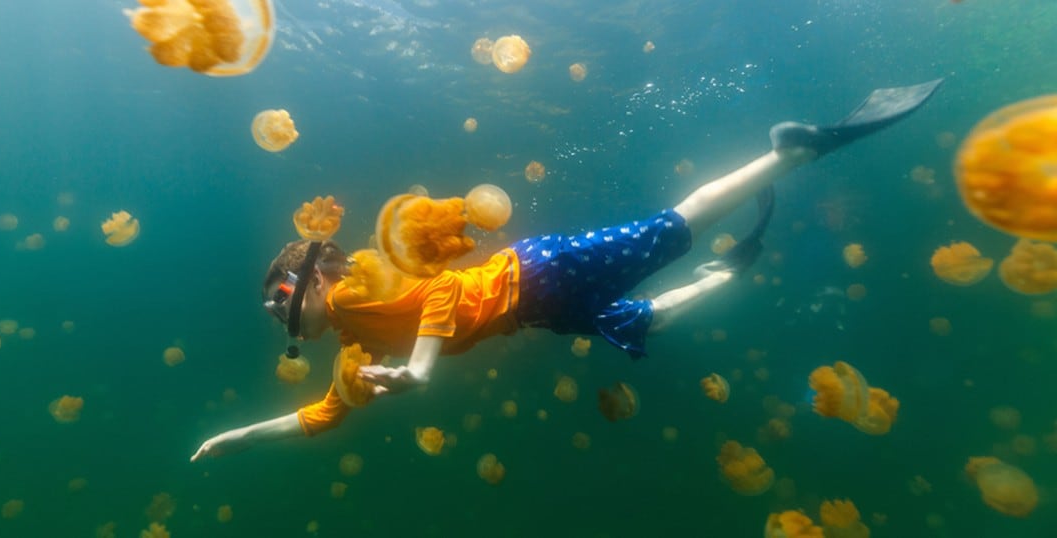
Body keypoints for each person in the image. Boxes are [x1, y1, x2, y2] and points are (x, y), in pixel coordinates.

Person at [190, 79, 941, 462]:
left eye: (280, 299)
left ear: (315, 280)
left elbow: (448, 289)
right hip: (537, 307)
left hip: (534, 274)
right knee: (636, 321)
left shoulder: (358, 291)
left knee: (673, 229)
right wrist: (235, 439)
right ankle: (732, 274)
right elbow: (320, 415)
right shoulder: (353, 344)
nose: (279, 317)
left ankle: (793, 151)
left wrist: (419, 369)